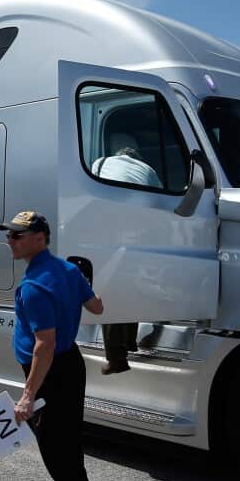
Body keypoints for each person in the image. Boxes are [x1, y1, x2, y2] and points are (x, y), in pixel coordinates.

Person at [0, 210, 110, 481]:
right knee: (68, 448)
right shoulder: (68, 270)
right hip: (71, 367)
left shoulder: (33, 286)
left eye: (17, 235)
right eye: (9, 235)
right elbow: (97, 307)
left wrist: (27, 396)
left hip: (51, 374)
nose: (10, 241)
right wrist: (79, 283)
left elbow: (43, 346)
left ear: (39, 238)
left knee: (62, 462)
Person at [89, 140, 154, 374]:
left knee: (110, 293)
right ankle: (130, 342)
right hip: (139, 235)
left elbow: (90, 190)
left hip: (111, 233)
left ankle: (117, 358)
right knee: (131, 287)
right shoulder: (148, 170)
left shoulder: (102, 162)